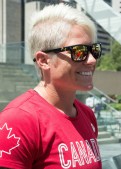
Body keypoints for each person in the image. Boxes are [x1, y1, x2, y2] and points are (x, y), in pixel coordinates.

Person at [0, 3, 102, 169]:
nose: (92, 60)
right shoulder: (17, 121)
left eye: (94, 50)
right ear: (44, 60)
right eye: (79, 51)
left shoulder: (87, 115)